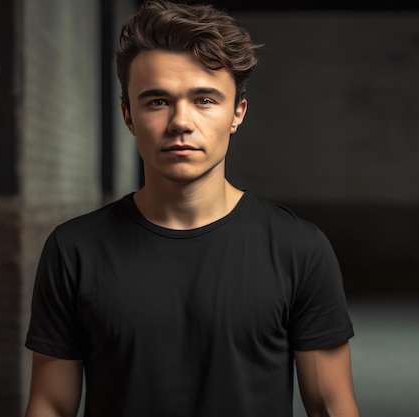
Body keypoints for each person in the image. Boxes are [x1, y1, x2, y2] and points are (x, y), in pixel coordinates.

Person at [24, 1, 360, 416]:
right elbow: (51, 406)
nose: (181, 121)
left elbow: (331, 406)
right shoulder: (74, 249)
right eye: (157, 102)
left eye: (204, 100)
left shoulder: (299, 249)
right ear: (128, 115)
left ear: (237, 112)